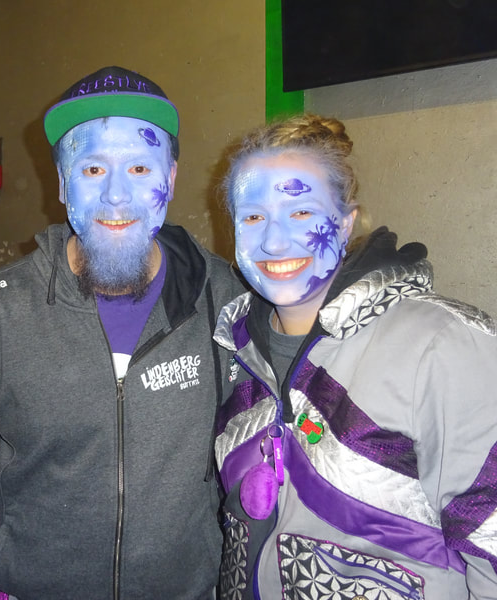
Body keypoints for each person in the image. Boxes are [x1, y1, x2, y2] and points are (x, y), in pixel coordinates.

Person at [0, 66, 245, 599]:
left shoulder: (225, 297)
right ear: (62, 184)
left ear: (171, 178)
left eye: (139, 167)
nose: (116, 196)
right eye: (93, 169)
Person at [213, 114, 497, 599]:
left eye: (301, 213)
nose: (274, 241)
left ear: (346, 223)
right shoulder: (233, 351)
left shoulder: (442, 345)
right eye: (253, 217)